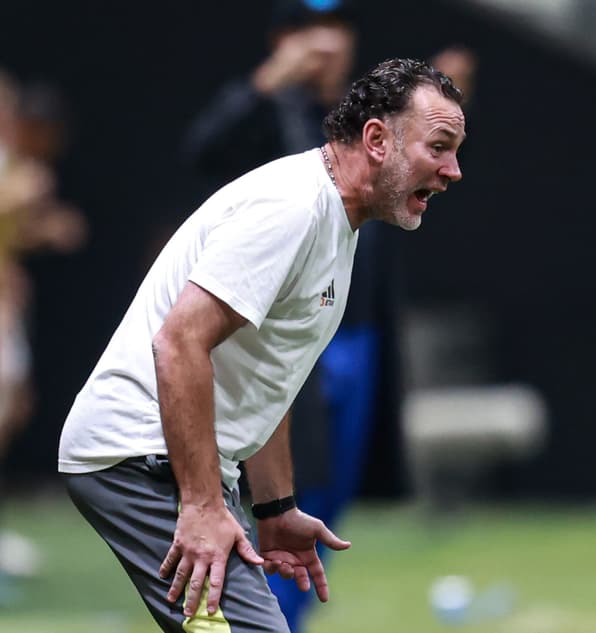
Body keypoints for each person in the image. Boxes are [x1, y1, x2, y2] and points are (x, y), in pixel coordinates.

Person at [58, 57, 465, 632]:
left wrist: (275, 508)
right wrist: (201, 505)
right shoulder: (293, 208)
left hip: (167, 468)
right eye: (440, 146)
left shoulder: (335, 222)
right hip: (137, 461)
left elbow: (265, 375)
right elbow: (177, 343)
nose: (453, 171)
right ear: (377, 139)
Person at [182, 3, 404, 629]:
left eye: (336, 29)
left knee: (331, 488)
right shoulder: (268, 111)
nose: (326, 44)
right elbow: (201, 151)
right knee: (280, 480)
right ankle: (259, 610)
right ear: (283, 39)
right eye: (309, 30)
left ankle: (287, 614)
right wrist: (267, 81)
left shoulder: (369, 122)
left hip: (352, 330)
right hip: (278, 325)